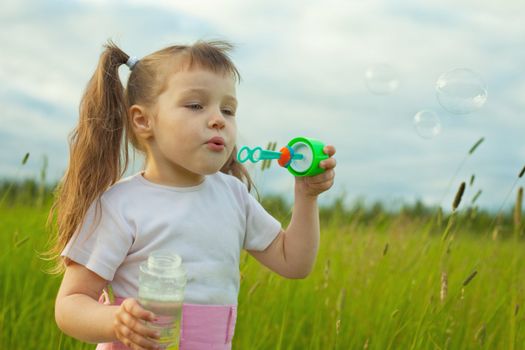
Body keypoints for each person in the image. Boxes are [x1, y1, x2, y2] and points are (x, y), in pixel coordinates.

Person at [49, 39, 336, 350]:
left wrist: (306, 197)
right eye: (196, 105)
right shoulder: (121, 205)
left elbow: (292, 262)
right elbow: (71, 303)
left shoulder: (233, 197)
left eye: (228, 109)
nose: (218, 119)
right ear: (144, 120)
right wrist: (115, 321)